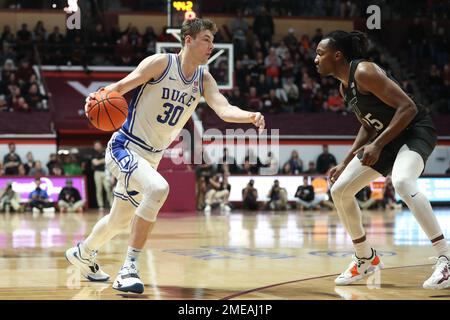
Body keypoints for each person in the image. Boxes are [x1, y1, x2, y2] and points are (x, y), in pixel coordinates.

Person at [65, 18, 265, 294]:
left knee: (119, 221)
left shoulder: (203, 79)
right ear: (189, 40)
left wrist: (250, 116)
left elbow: (223, 108)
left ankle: (83, 253)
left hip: (150, 158)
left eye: (212, 40)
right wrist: (97, 96)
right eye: (206, 39)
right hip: (125, 147)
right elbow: (123, 86)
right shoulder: (161, 63)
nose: (211, 46)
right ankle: (129, 268)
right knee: (159, 188)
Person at [315, 30, 450, 289]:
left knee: (402, 182)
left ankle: (446, 256)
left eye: (320, 53)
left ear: (338, 55)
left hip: (414, 129)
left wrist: (377, 144)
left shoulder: (364, 71)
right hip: (387, 138)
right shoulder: (345, 87)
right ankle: (366, 258)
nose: (316, 59)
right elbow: (367, 126)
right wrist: (345, 162)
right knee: (340, 190)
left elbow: (408, 108)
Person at [91, 141, 111, 211]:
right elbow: (95, 163)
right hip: (97, 173)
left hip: (106, 172)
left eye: (98, 145)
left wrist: (100, 161)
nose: (97, 147)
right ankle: (100, 205)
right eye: (95, 145)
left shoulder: (106, 152)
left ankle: (111, 204)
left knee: (108, 188)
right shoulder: (93, 154)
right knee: (99, 189)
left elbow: (108, 160)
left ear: (101, 145)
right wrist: (103, 160)